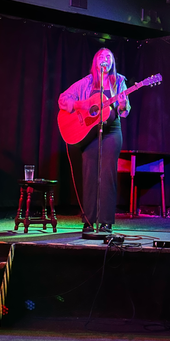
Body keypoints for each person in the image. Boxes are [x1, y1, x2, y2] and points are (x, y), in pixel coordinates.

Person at [58, 48, 131, 234]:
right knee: (89, 175)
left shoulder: (120, 81)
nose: (105, 60)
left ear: (113, 61)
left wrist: (122, 103)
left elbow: (125, 111)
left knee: (108, 175)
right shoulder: (87, 82)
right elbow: (62, 99)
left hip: (112, 132)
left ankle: (106, 221)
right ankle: (89, 221)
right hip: (89, 132)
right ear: (95, 61)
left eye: (108, 57)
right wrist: (81, 105)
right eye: (101, 57)